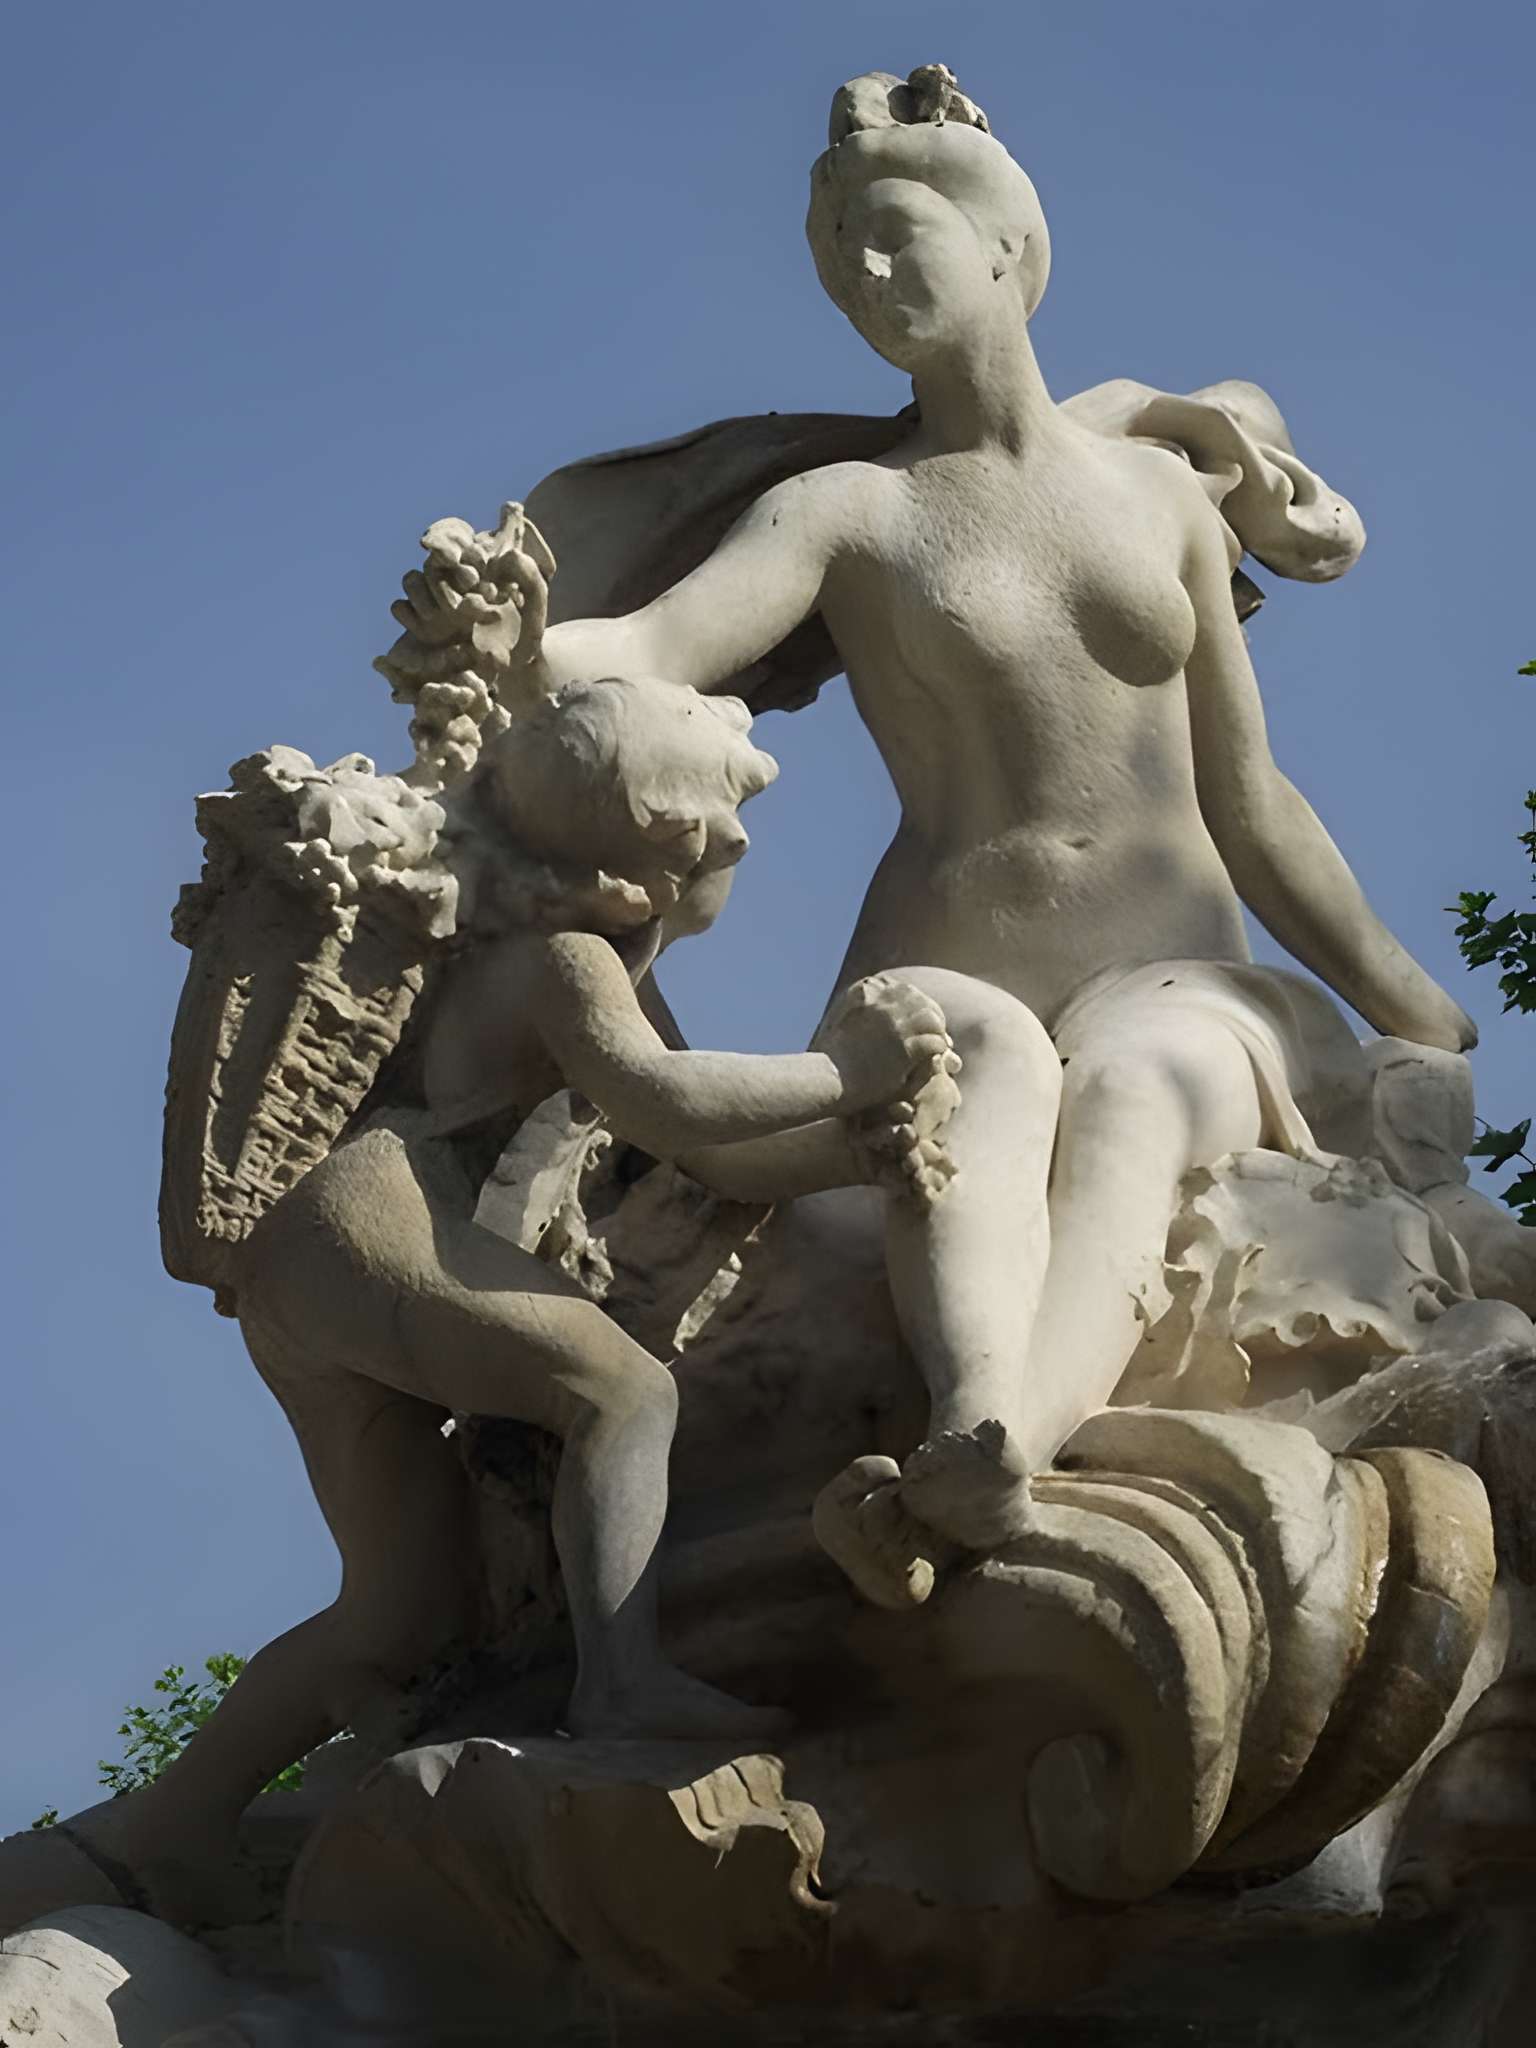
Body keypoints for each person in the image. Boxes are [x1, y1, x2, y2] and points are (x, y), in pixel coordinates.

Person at [382, 71, 1474, 1578]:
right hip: (945, 951)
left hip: (1181, 975)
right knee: (956, 1095)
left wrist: (1417, 1013)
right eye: (843, 269)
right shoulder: (846, 510)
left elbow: (1251, 799)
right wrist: (524, 644)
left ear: (1011, 253)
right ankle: (970, 1427)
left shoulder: (1160, 497)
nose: (870, 284)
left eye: (898, 242)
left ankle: (1002, 1445)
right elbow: (654, 645)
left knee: (1139, 1088)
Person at [65, 677, 955, 1914]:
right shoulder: (568, 956)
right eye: (732, 841)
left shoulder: (584, 958)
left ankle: (173, 1825)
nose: (741, 863)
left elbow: (706, 1150)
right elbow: (668, 1103)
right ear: (674, 848)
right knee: (620, 1392)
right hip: (362, 1221)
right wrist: (845, 1069)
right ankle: (624, 1681)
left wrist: (852, 1149)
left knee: (400, 1610)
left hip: (312, 1271)